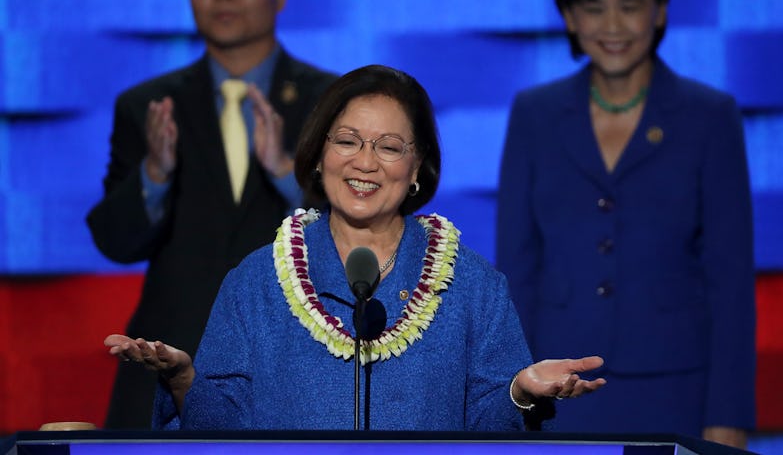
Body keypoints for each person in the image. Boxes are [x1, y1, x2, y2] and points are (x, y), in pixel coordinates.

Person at [104, 64, 606, 431]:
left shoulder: (472, 287)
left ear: (416, 170)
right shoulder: (255, 282)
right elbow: (220, 434)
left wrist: (518, 392)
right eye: (347, 141)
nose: (365, 163)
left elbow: (489, 433)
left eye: (389, 147)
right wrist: (184, 380)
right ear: (320, 156)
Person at [496, 0, 755, 448]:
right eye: (593, 7)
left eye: (630, 5)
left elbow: (730, 283)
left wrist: (729, 414)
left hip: (678, 387)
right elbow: (517, 271)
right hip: (559, 389)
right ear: (569, 17)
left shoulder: (710, 117)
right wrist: (512, 396)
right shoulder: (534, 115)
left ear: (660, 10)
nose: (612, 24)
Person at [87, 0, 338, 429]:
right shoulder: (147, 106)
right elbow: (114, 241)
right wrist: (154, 175)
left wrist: (289, 176)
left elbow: (363, 233)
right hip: (168, 357)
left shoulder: (332, 103)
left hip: (298, 356)